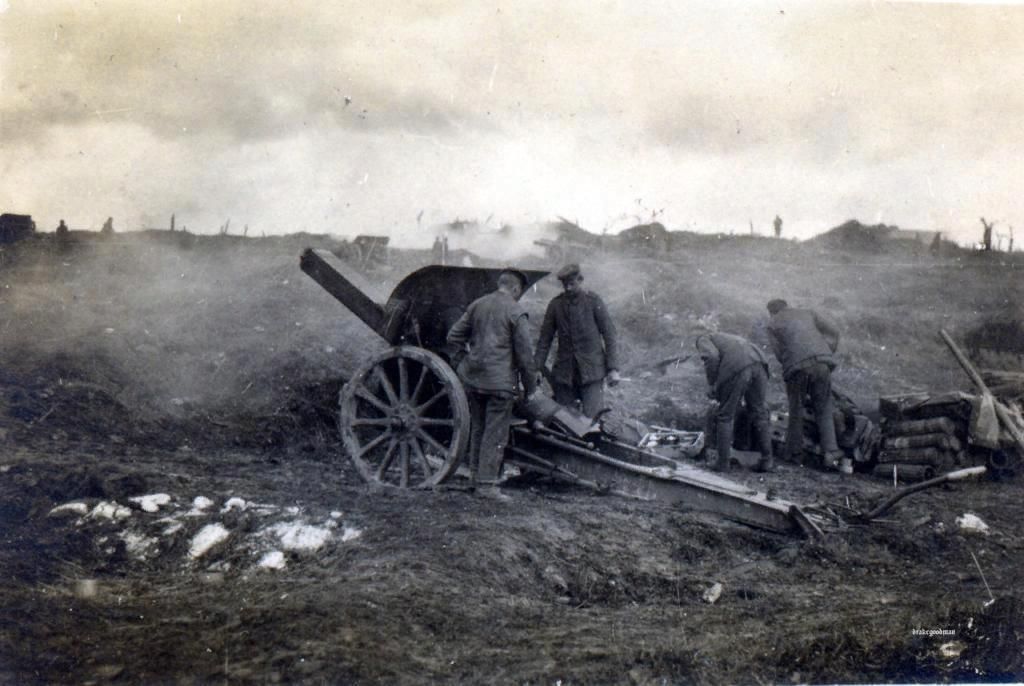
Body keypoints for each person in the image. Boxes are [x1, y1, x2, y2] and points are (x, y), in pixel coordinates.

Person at [446, 269, 538, 491]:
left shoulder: (478, 304)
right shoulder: (516, 311)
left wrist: (462, 363)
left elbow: (453, 336)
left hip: (473, 379)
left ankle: (475, 477)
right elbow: (525, 358)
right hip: (500, 384)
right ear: (516, 289)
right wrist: (531, 388)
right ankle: (486, 485)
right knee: (495, 433)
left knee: (478, 427)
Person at [765, 298, 845, 470]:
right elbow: (835, 331)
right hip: (822, 363)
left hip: (796, 369)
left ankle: (794, 454)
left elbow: (779, 353)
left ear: (772, 312)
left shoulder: (772, 323)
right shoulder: (808, 312)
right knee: (823, 407)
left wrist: (791, 362)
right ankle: (831, 453)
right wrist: (827, 350)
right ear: (786, 306)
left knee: (796, 409)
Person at [534, 263, 621, 418]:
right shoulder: (555, 305)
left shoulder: (593, 301)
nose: (568, 288)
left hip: (592, 373)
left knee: (592, 420)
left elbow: (610, 334)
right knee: (566, 421)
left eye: (571, 284)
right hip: (565, 374)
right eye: (565, 285)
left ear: (580, 280)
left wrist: (613, 368)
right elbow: (544, 340)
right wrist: (536, 368)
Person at [696, 332, 773, 472]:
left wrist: (713, 383)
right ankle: (767, 460)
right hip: (760, 362)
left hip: (739, 365)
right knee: (759, 412)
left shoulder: (703, 338)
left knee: (725, 416)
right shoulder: (727, 337)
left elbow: (712, 357)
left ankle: (723, 463)